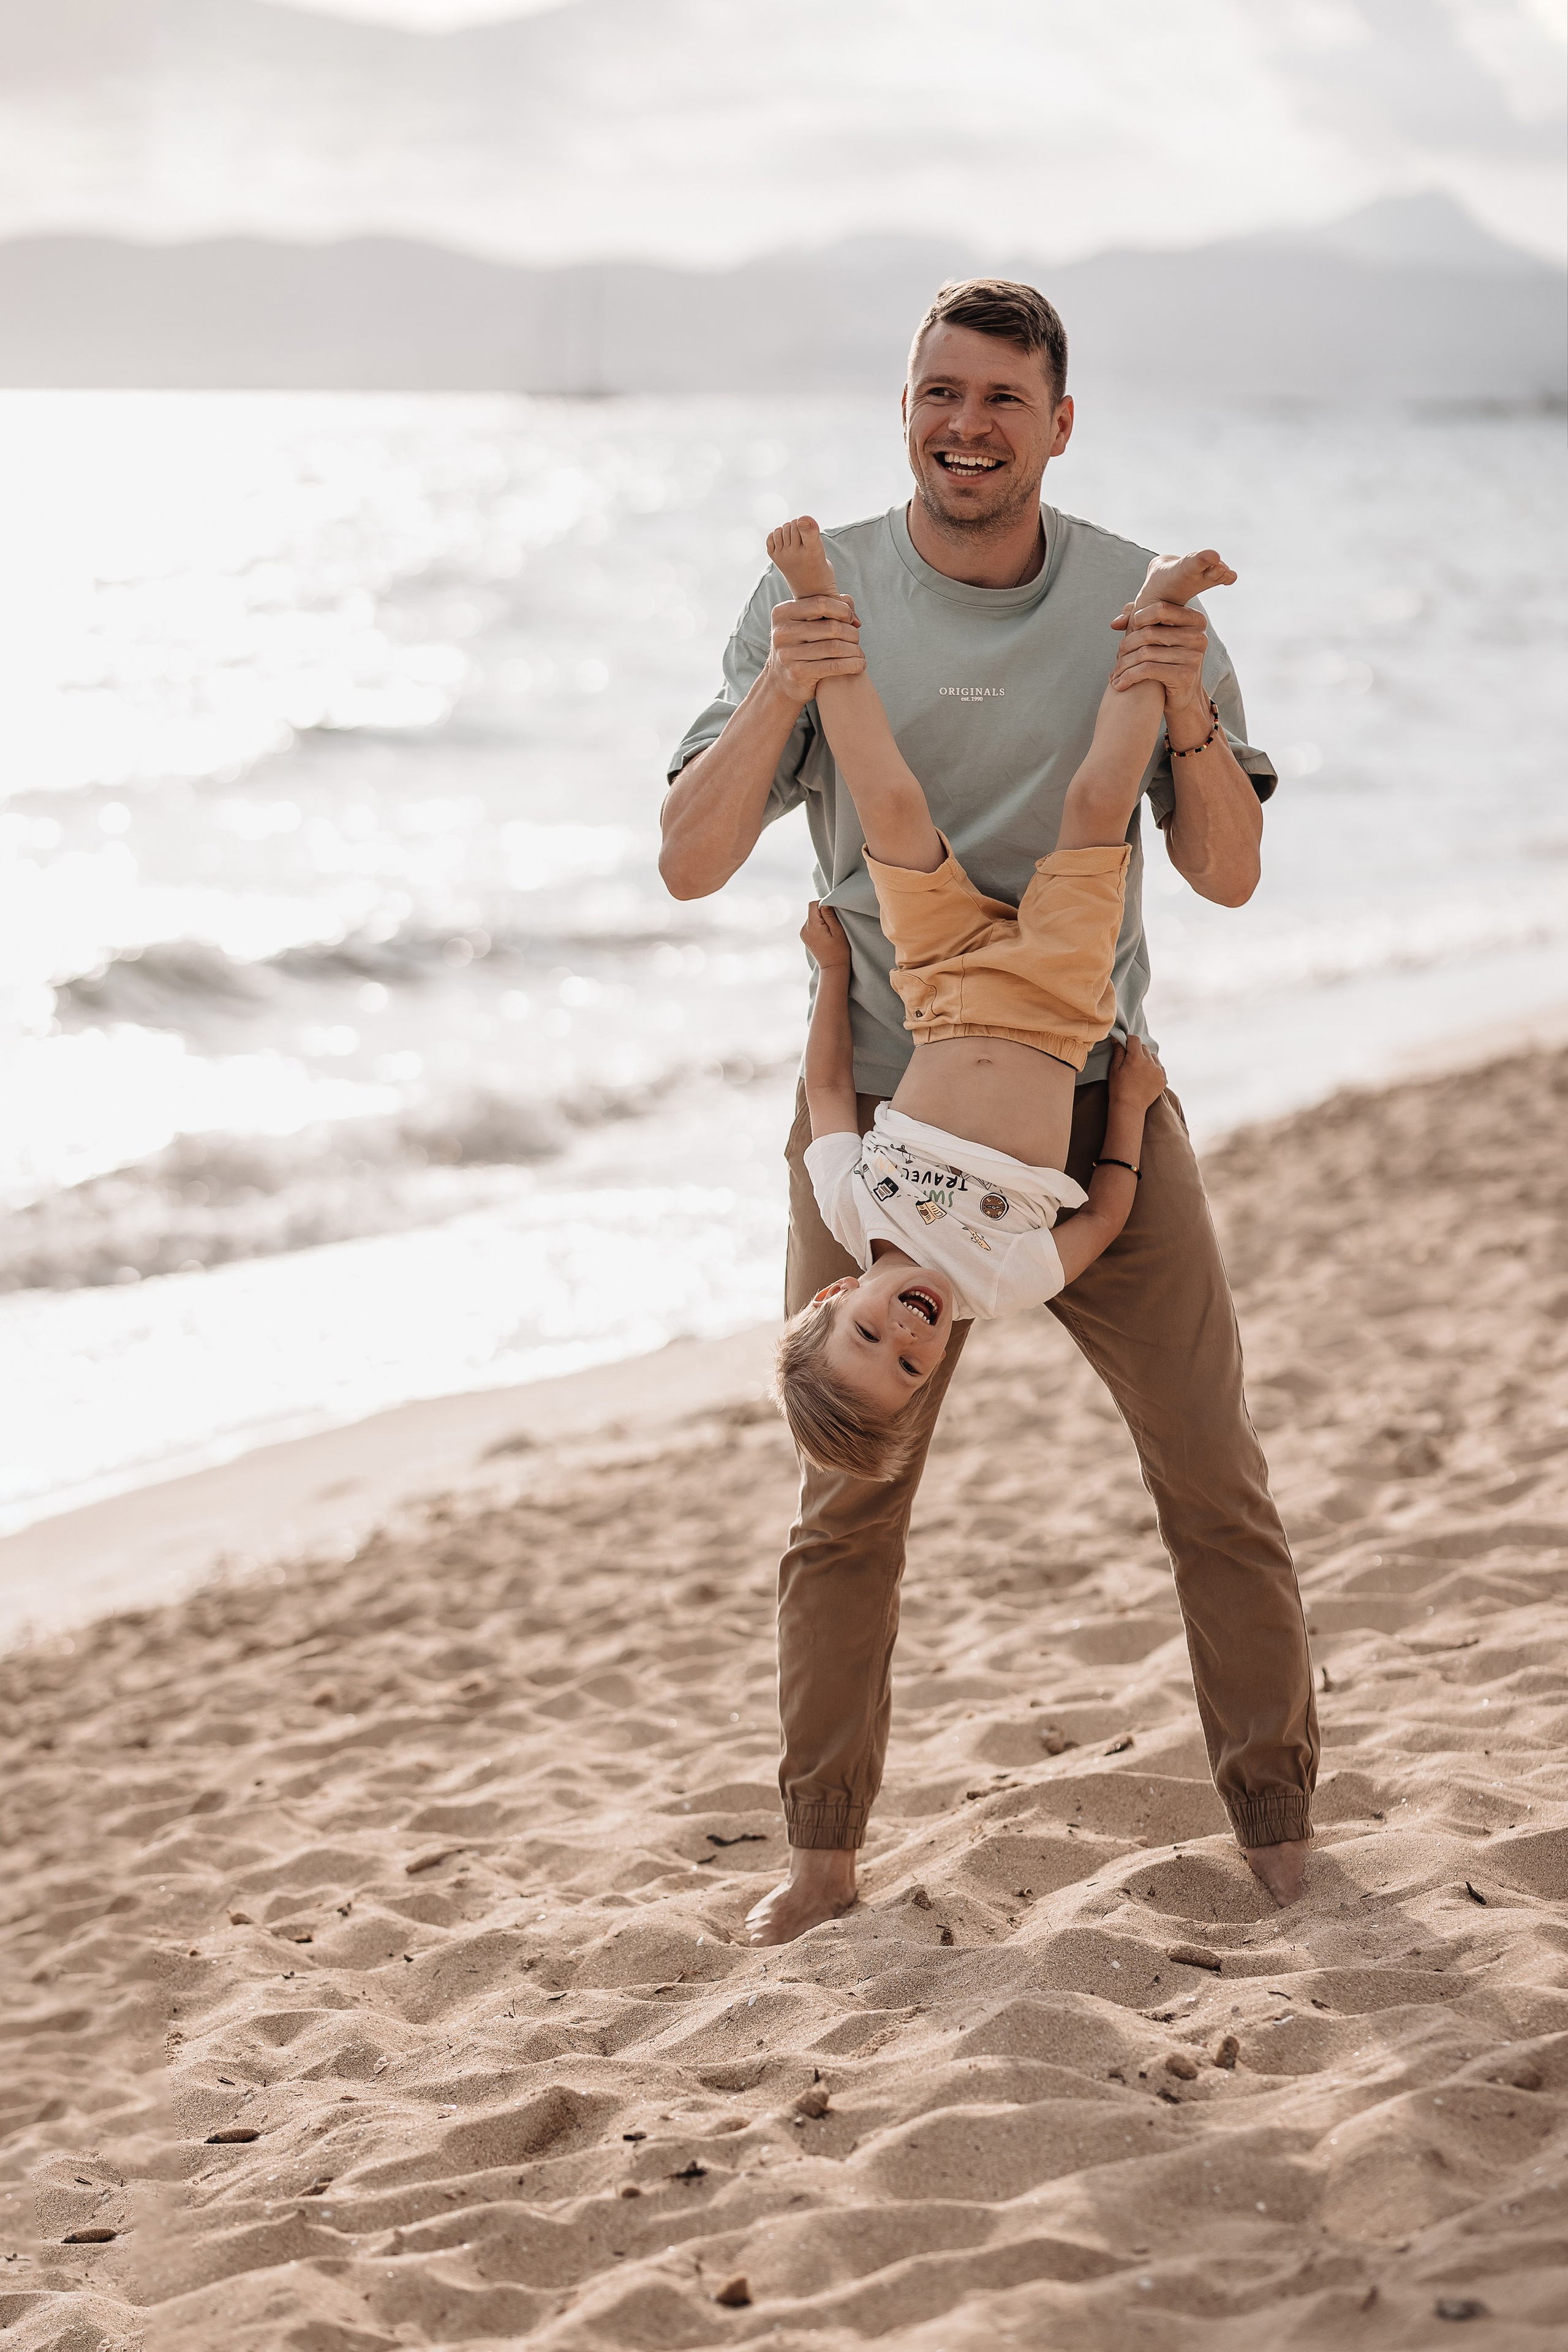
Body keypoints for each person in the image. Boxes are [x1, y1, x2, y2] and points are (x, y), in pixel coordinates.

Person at [660, 277, 1318, 1941]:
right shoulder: (816, 593)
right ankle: (819, 1861)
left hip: (1087, 1081)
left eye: (1003, 400)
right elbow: (688, 857)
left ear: (1058, 421)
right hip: (891, 1093)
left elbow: (1228, 875)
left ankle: (1280, 1828)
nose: (966, 425)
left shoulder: (1133, 600)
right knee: (847, 1493)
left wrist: (1176, 698)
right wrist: (786, 680)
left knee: (1212, 1477)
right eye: (938, 393)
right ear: (904, 406)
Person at [772, 517, 1227, 1474]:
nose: (907, 1337)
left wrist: (837, 974)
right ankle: (1156, 617)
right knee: (1097, 806)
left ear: (830, 1299)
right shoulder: (1005, 1280)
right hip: (1062, 1008)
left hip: (936, 986)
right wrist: (1132, 1108)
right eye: (909, 1368)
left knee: (890, 808)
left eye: (867, 1337)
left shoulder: (850, 1211)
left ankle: (820, 609)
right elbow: (1102, 1216)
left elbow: (825, 1091)